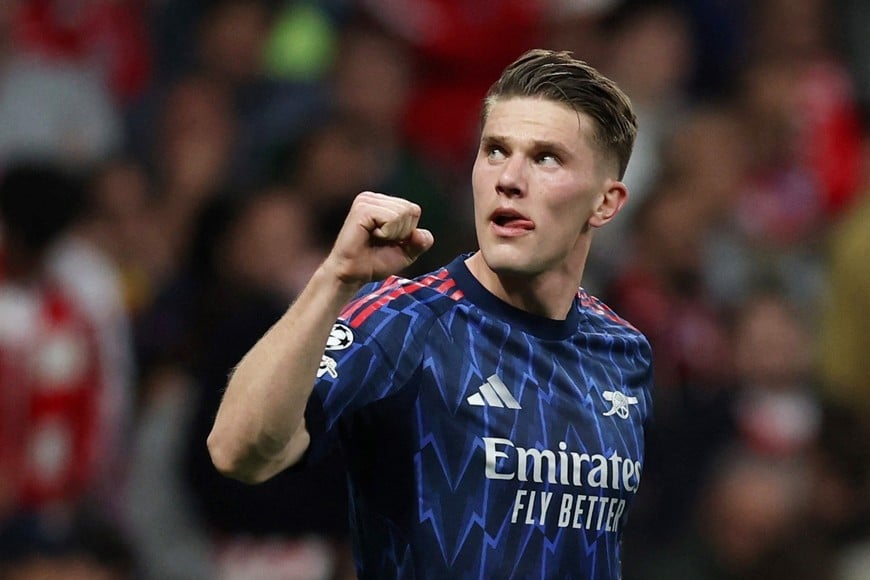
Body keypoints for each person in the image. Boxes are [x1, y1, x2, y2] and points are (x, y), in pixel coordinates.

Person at [208, 49, 652, 578]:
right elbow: (236, 451)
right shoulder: (403, 322)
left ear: (606, 203)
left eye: (546, 158)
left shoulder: (623, 352)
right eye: (495, 150)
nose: (509, 179)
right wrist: (335, 279)